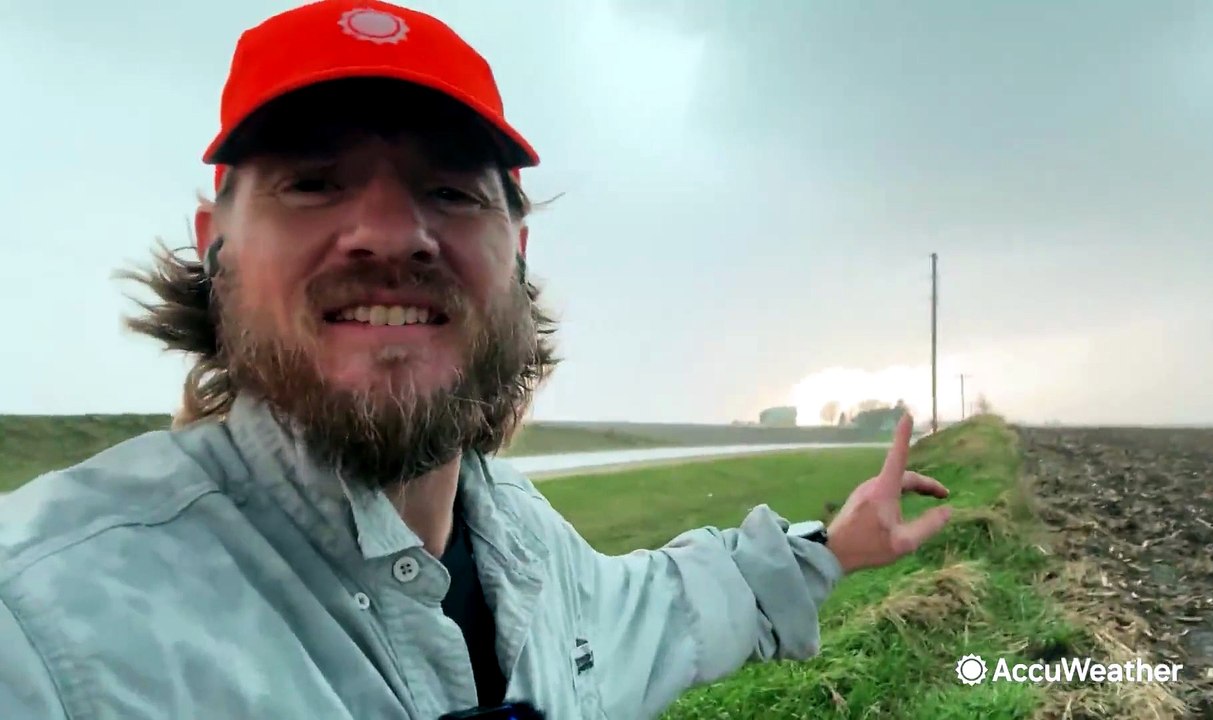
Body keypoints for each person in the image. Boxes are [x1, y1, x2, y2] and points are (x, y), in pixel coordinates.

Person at [0, 2, 953, 718]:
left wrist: (836, 548)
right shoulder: (46, 620)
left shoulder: (531, 554)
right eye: (314, 182)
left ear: (517, 258)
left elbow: (670, 604)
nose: (388, 231)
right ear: (217, 249)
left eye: (451, 189)